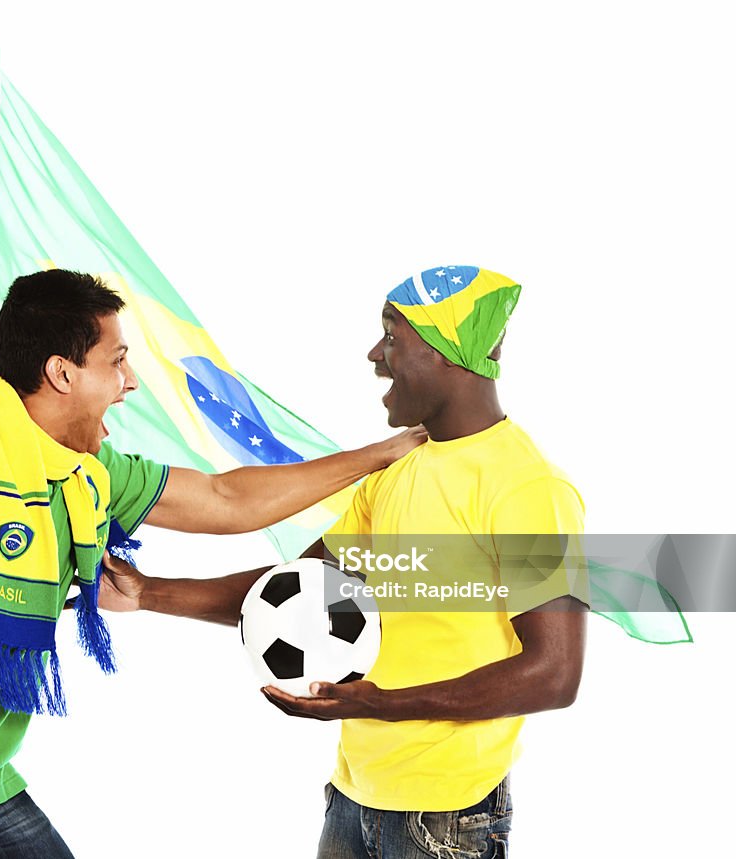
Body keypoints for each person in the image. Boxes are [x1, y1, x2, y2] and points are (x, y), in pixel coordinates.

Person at [0, 269, 426, 859]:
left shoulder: (87, 474)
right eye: (116, 361)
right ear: (61, 373)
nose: (130, 381)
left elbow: (227, 500)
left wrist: (382, 454)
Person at [98, 265, 587, 859]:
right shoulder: (398, 472)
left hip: (449, 815)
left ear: (446, 353)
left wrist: (382, 704)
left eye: (393, 335)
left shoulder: (527, 487)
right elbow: (299, 590)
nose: (375, 354)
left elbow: (555, 673)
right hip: (355, 799)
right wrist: (149, 593)